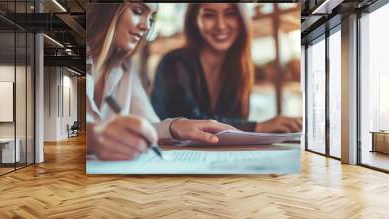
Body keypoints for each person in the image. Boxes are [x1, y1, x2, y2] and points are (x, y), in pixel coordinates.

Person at [86, 3, 235, 161]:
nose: (146, 26)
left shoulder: (125, 67)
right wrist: (91, 137)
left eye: (152, 18)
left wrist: (175, 126)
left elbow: (147, 125)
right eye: (138, 11)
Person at [151, 3, 302, 133]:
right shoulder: (174, 63)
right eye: (209, 15)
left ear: (242, 18)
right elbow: (187, 122)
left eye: (230, 14)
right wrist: (259, 127)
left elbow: (236, 121)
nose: (221, 25)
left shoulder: (238, 68)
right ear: (194, 20)